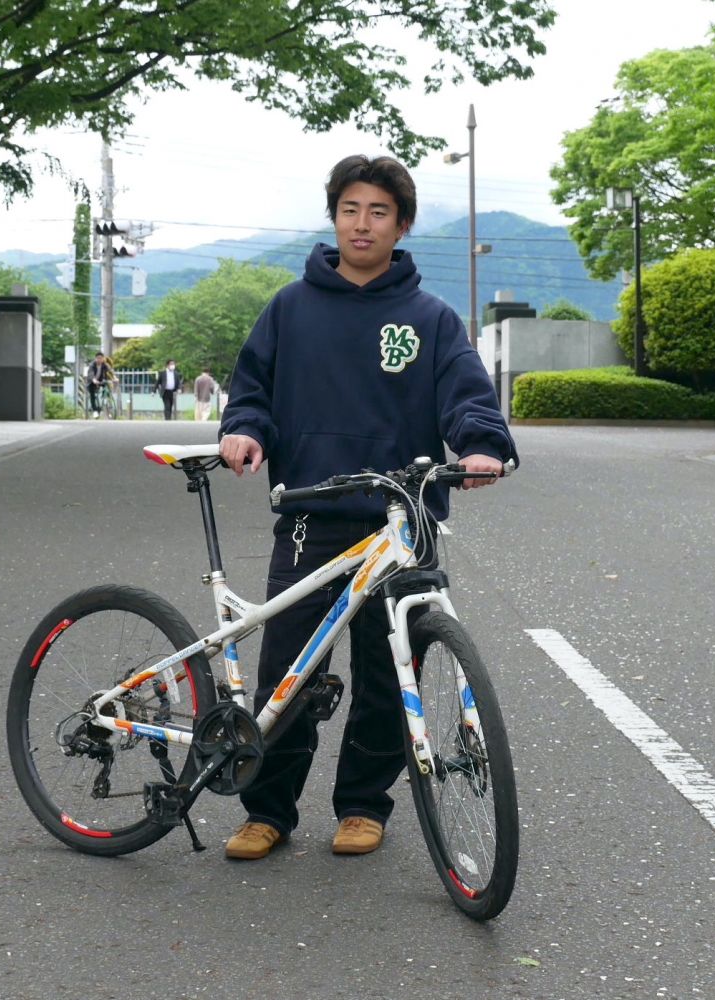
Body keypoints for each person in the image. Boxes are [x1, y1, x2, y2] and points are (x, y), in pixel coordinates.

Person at [217, 154, 517, 861]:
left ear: (402, 225)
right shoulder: (290, 308)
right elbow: (251, 387)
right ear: (334, 217)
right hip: (310, 515)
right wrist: (244, 430)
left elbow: (468, 395)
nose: (363, 222)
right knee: (289, 667)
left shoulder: (429, 318)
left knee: (390, 673)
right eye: (351, 208)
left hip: (400, 519)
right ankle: (268, 809)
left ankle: (362, 804)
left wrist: (479, 446)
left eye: (379, 211)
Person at [85, 351, 115, 419]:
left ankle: (106, 401)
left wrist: (115, 378)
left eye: (101, 358)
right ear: (95, 358)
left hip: (101, 380)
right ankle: (95, 410)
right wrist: (94, 380)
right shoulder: (92, 365)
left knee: (107, 386)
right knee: (92, 394)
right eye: (98, 358)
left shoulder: (104, 364)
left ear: (103, 358)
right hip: (92, 382)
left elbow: (110, 371)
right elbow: (90, 374)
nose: (99, 360)